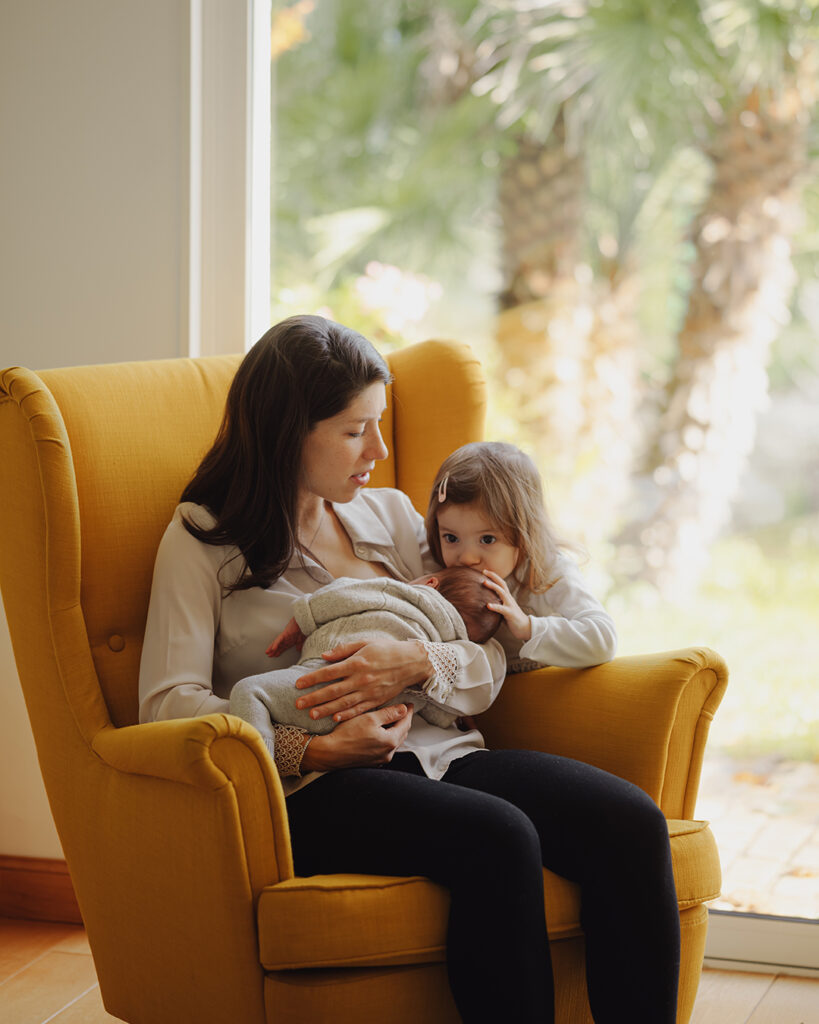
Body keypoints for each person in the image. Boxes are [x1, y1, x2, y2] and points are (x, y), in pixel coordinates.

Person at [138, 313, 681, 1023]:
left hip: (440, 751)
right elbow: (166, 705)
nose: (379, 449)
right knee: (499, 836)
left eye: (379, 424)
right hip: (315, 786)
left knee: (629, 822)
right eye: (355, 429)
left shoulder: (392, 518)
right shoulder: (200, 539)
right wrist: (310, 747)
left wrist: (417, 659)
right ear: (287, 430)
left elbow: (484, 650)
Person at [229, 566, 502, 748]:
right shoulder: (444, 644)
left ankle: (261, 775)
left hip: (321, 685)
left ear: (430, 583)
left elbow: (346, 593)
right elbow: (438, 712)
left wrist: (305, 617)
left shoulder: (402, 594)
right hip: (376, 728)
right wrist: (453, 718)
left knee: (249, 692)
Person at [425, 441, 618, 675]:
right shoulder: (443, 575)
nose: (466, 558)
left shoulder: (549, 571)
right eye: (451, 538)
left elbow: (603, 640)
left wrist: (527, 627)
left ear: (524, 534)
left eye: (487, 539)